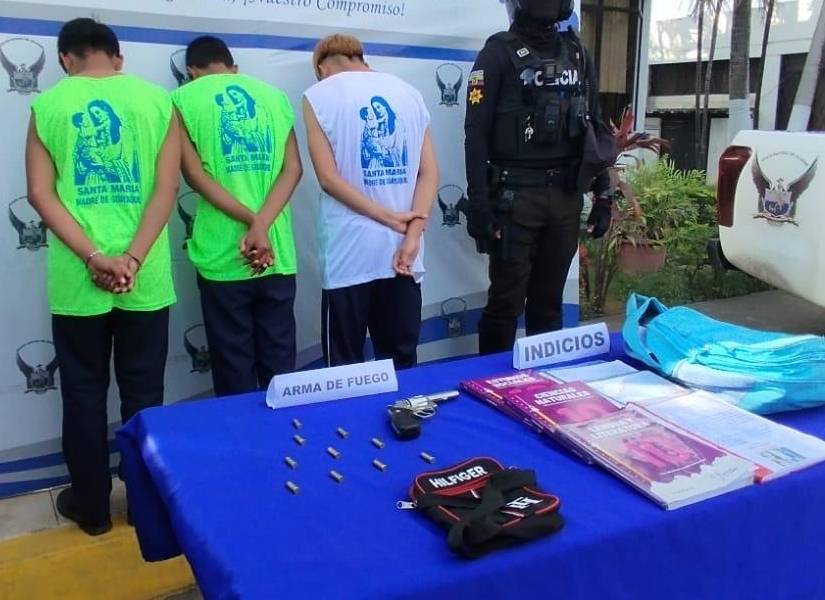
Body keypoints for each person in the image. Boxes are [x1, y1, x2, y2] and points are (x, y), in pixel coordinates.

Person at [25, 18, 180, 536]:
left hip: (79, 277)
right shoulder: (158, 102)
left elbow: (41, 195)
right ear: (118, 57)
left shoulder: (48, 106)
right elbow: (165, 191)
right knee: (144, 393)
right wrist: (132, 258)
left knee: (84, 392)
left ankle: (91, 507)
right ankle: (142, 504)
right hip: (145, 276)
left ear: (65, 59)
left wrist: (95, 256)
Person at [465, 0, 615, 355]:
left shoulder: (576, 53)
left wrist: (604, 192)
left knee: (548, 307)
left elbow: (593, 125)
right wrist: (480, 205)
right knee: (505, 305)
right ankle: (491, 387)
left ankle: (543, 387)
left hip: (565, 197)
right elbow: (476, 134)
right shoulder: (497, 53)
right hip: (515, 199)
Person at [172, 36, 302, 396]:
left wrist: (249, 221)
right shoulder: (274, 97)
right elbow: (293, 169)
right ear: (233, 68)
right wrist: (262, 224)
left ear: (191, 72)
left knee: (233, 372)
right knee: (281, 372)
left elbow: (195, 177)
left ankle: (245, 448)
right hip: (276, 255)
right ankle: (288, 445)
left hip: (222, 256)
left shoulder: (182, 99)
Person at [303, 34, 438, 369]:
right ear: (361, 58)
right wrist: (411, 234)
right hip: (404, 254)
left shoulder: (318, 96)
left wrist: (389, 218)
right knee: (402, 363)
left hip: (349, 255)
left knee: (344, 368)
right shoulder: (409, 93)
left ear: (322, 67)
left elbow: (328, 179)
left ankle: (347, 425)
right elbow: (429, 173)